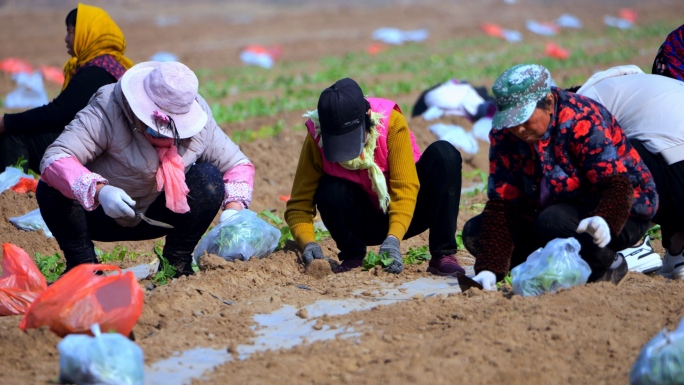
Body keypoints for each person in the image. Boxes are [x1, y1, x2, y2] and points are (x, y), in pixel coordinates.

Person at [36, 61, 255, 277]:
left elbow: (237, 164)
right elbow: (56, 158)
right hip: (99, 213)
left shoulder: (200, 124)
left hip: (155, 215)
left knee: (208, 179)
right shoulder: (108, 109)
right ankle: (83, 265)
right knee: (52, 186)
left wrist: (233, 212)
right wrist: (100, 191)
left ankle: (176, 263)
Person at [465, 64, 658, 290]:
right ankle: (555, 265)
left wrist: (606, 219)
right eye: (511, 122)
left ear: (547, 102)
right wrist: (490, 268)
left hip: (619, 207)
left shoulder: (580, 119)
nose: (518, 129)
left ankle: (611, 262)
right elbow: (503, 203)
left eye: (524, 119)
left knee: (553, 222)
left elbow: (617, 184)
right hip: (554, 209)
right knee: (476, 232)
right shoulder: (504, 135)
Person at [284, 78, 464, 275]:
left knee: (444, 154)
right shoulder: (316, 136)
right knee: (330, 187)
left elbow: (405, 187)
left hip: (409, 212)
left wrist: (393, 238)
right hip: (363, 222)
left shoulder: (392, 123)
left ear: (368, 116)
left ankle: (443, 254)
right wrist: (308, 243)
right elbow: (299, 203)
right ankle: (352, 256)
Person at [574, 65, 684, 280]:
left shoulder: (583, 103)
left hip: (679, 181)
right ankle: (679, 251)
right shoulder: (639, 88)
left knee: (596, 158)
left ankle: (632, 245)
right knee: (659, 144)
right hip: (677, 177)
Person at [0, 4, 133, 173]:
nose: (66, 38)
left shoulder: (96, 72)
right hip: (108, 152)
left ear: (87, 33)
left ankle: (12, 192)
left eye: (71, 31)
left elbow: (58, 113)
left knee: (14, 135)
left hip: (98, 158)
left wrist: (7, 122)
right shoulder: (112, 66)